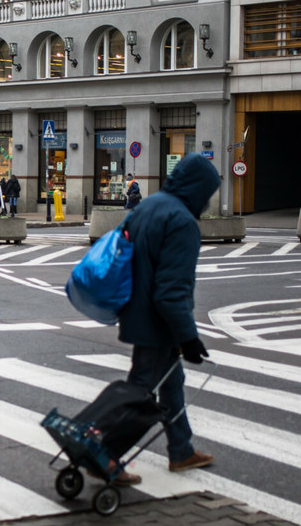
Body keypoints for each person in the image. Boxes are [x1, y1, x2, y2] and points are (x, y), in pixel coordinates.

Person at [116, 154, 219, 481]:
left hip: (138, 312)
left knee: (171, 384)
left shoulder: (148, 206)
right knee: (142, 389)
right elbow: (170, 291)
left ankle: (181, 450)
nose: (207, 201)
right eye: (208, 192)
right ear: (197, 189)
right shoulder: (182, 222)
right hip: (158, 323)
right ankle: (106, 453)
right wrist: (188, 336)